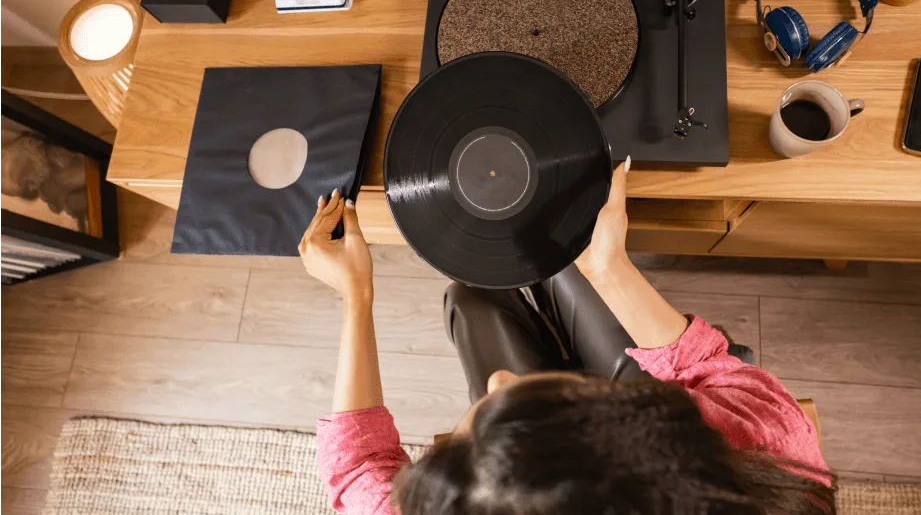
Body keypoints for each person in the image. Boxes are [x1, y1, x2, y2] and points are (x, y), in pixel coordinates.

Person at [302, 159, 834, 515]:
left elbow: (355, 467)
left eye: (475, 435)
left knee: (473, 296)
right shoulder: (767, 449)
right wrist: (609, 268)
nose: (498, 380)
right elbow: (706, 369)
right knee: (561, 263)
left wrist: (356, 296)